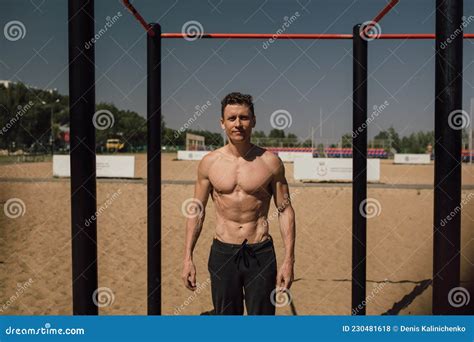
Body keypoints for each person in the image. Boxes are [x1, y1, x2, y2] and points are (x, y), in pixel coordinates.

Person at [181, 92, 296, 315]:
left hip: (260, 252)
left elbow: (285, 210)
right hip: (223, 253)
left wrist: (289, 259)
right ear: (222, 123)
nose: (238, 124)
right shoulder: (209, 163)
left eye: (244, 117)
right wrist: (187, 257)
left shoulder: (270, 162)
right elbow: (197, 210)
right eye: (232, 118)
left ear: (253, 120)